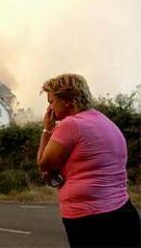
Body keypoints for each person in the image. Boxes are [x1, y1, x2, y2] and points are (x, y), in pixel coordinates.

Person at [37, 73, 140, 247]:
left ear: (68, 100)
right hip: (124, 213)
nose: (50, 109)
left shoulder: (70, 125)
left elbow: (44, 163)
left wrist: (47, 130)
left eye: (51, 102)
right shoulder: (105, 121)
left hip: (90, 220)